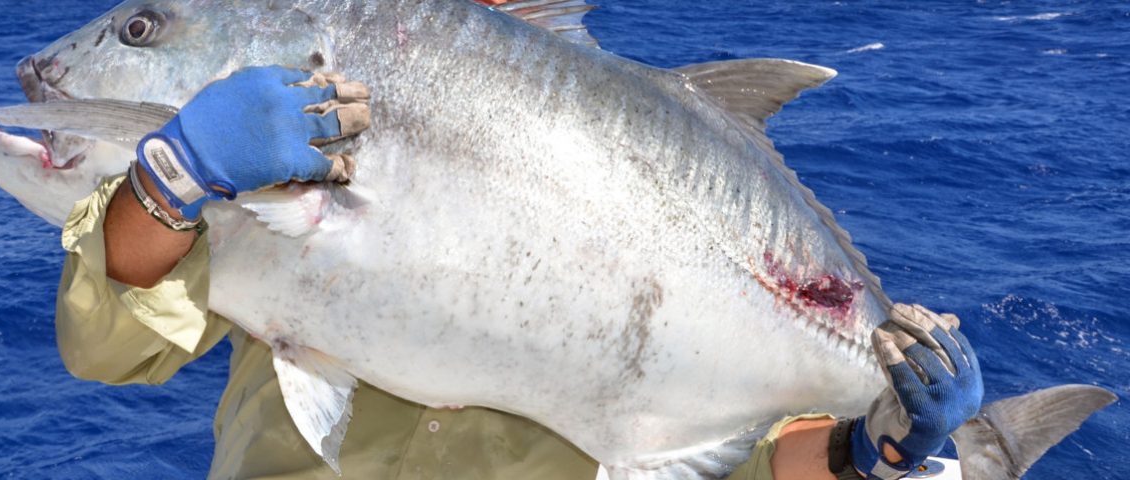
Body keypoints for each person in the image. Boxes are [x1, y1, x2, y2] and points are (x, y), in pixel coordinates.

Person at [55, 66, 982, 480]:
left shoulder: (629, 148)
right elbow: (109, 346)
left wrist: (876, 451)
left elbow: (744, 461)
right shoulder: (306, 118)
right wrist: (171, 176)